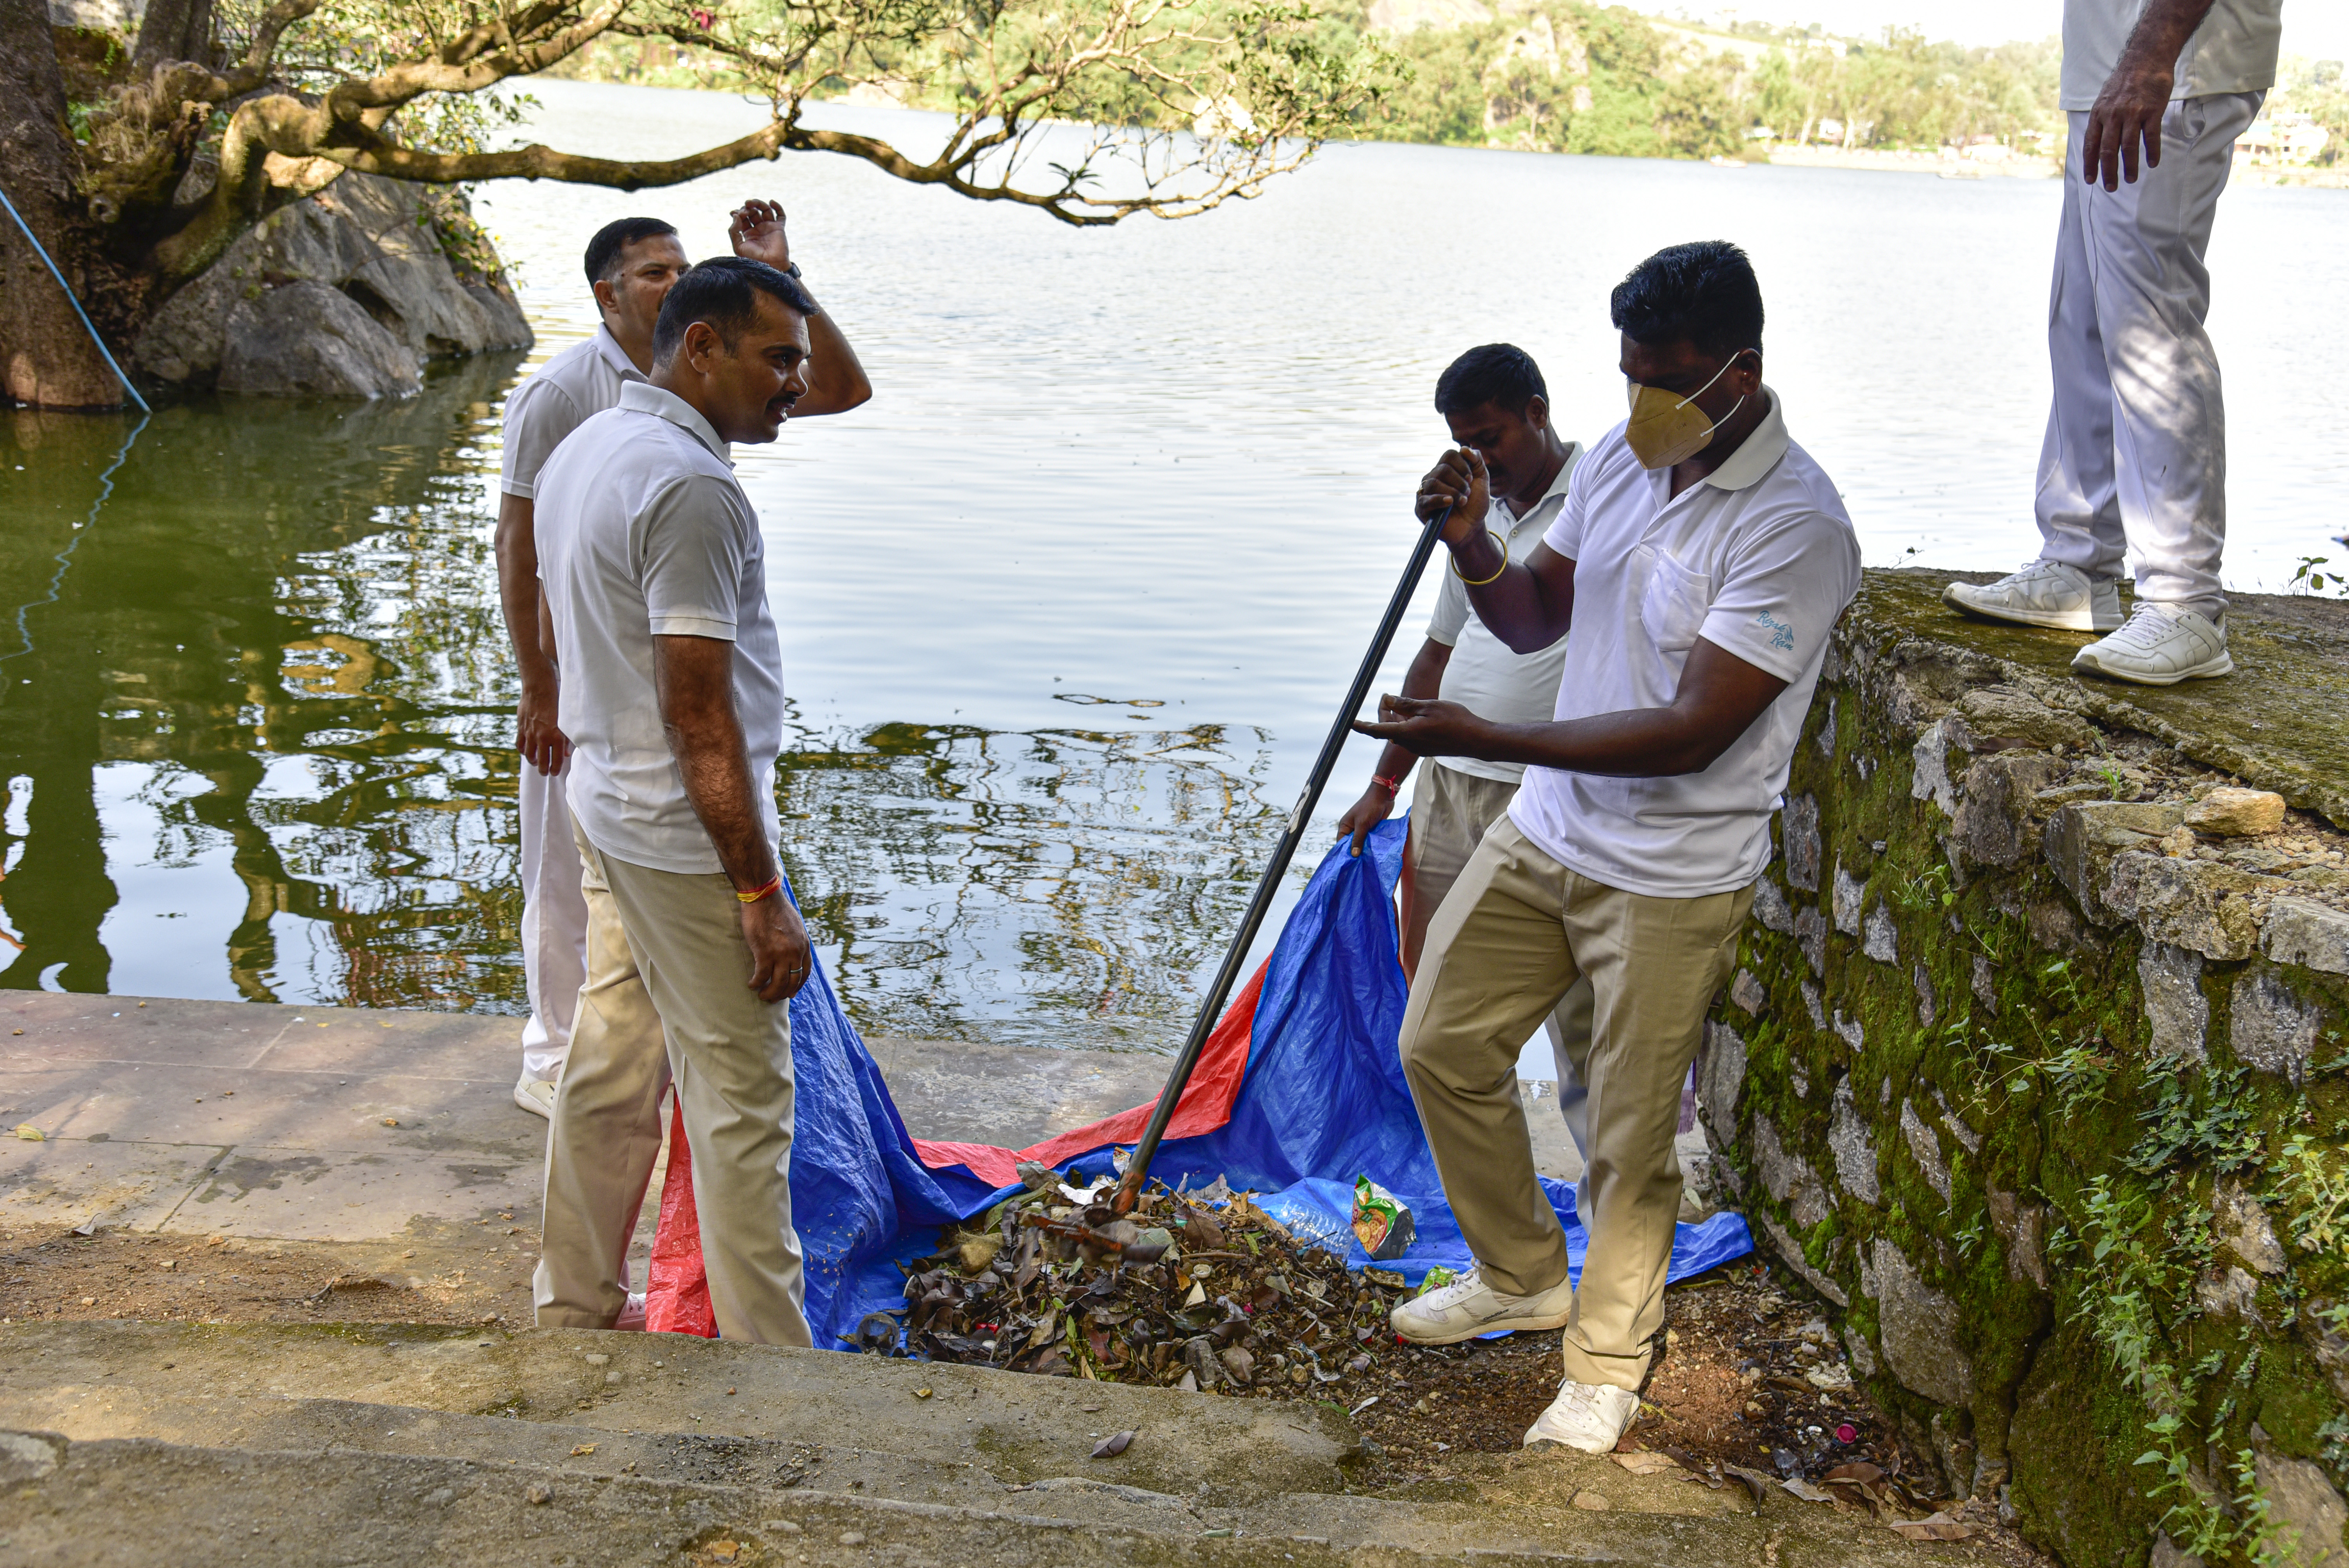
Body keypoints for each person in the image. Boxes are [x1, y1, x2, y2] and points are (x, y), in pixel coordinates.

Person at [1355, 241, 1861, 1453]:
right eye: (1630, 371)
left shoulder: (1797, 524)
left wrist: (1488, 733)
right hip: (1548, 833)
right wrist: (1479, 540)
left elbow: (1697, 734)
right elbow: (1533, 617)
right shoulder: (1629, 463)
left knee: (1631, 1142)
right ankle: (1524, 1274)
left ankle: (1607, 1358)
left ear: (1740, 370)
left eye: (1668, 376)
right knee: (1440, 1043)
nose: (1641, 400)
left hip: (1672, 874)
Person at [496, 204, 869, 1118]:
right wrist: (538, 685)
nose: (672, 276)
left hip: (642, 734)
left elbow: (839, 388)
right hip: (612, 715)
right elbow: (517, 540)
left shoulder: (698, 406)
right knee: (741, 1099)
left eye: (679, 265)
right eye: (653, 271)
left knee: (617, 1022)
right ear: (610, 295)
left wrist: (781, 279)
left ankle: (576, 1242)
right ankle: (545, 1056)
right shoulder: (577, 406)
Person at [529, 257, 827, 1342]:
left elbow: (563, 613)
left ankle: (572, 1310)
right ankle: (771, 1369)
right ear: (701, 346)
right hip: (682, 840)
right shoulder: (694, 488)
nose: (796, 381)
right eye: (778, 358)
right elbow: (699, 712)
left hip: (609, 809)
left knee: (610, 1068)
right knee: (745, 1104)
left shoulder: (592, 442)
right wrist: (758, 888)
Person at [1942, 0, 2282, 685]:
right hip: (2109, 68)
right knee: (2084, 317)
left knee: (2149, 328)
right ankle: (2079, 562)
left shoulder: (2160, 61)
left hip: (2174, 68)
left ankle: (2187, 602)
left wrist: (2153, 52)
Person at [1332, 343, 1601, 1202]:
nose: (1476, 459)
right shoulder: (1469, 520)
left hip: (1551, 790)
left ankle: (1615, 1188)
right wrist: (1383, 784)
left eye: (1490, 439)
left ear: (1537, 409)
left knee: (1580, 1009)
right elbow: (1434, 658)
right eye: (1461, 444)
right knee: (1434, 999)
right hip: (1450, 785)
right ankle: (1447, 1175)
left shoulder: (1599, 496)